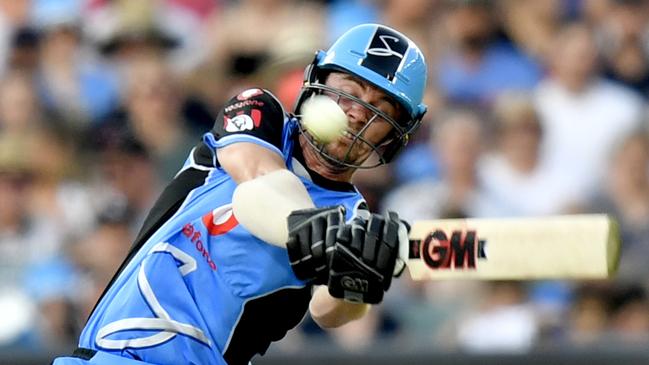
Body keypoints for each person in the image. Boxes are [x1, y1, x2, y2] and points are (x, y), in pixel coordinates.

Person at [53, 23, 427, 365]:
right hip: (105, 355)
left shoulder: (353, 218)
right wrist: (318, 232)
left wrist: (359, 276)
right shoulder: (262, 114)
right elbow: (258, 179)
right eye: (349, 93)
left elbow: (329, 313)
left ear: (392, 136)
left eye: (379, 109)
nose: (358, 115)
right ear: (317, 85)